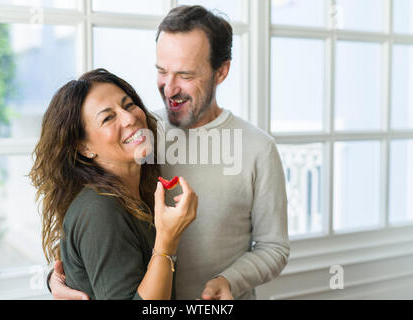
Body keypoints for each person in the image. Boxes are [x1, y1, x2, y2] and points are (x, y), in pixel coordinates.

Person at [48, 5, 290, 300]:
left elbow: (274, 247)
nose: (170, 88)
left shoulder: (258, 148)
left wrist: (231, 280)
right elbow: (91, 221)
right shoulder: (140, 135)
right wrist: (57, 275)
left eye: (186, 74)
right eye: (162, 71)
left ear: (221, 71)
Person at [29, 68, 197, 300]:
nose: (130, 118)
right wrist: (167, 243)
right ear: (84, 147)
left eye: (129, 105)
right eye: (108, 118)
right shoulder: (101, 209)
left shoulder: (133, 193)